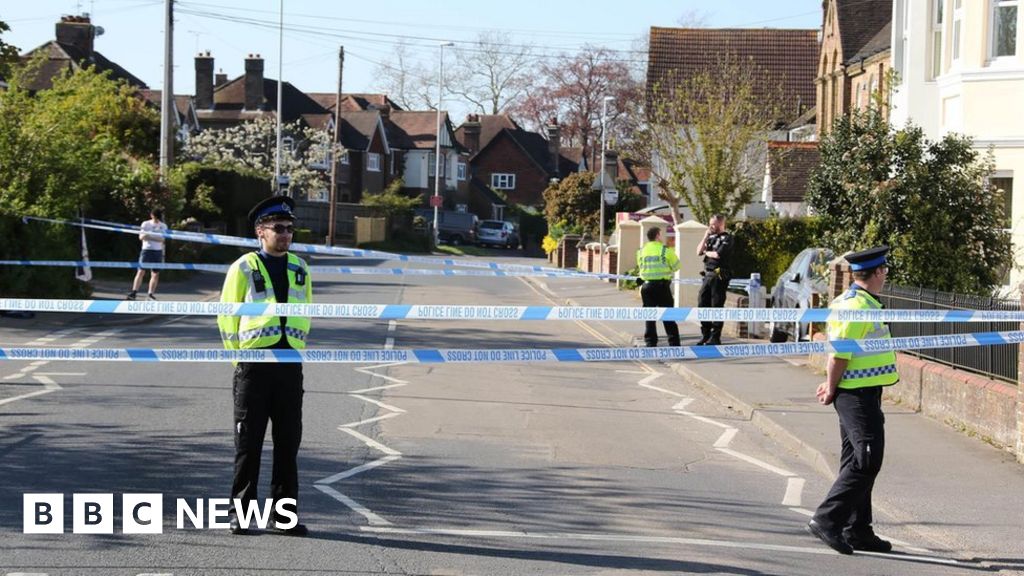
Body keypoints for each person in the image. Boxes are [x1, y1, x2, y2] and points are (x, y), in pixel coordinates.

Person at [217, 196, 312, 537]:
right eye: (279, 228)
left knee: (288, 444)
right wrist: (238, 360)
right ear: (261, 231)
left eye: (290, 229)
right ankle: (240, 514)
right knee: (249, 444)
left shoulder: (300, 267)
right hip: (254, 366)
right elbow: (227, 316)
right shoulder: (243, 267)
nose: (286, 234)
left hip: (289, 366)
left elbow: (307, 310)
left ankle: (283, 516)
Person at [806, 246, 898, 555]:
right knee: (866, 460)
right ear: (878, 273)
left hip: (863, 390)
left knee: (855, 459)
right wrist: (831, 386)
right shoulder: (857, 306)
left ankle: (858, 529)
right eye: (884, 271)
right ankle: (827, 520)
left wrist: (832, 383)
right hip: (854, 394)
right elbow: (841, 352)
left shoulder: (861, 302)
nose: (886, 275)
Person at [636, 226, 680, 347]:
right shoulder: (665, 250)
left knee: (649, 316)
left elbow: (640, 267)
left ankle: (650, 342)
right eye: (661, 234)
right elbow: (677, 266)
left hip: (646, 287)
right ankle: (674, 343)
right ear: (657, 236)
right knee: (668, 315)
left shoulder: (641, 251)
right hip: (662, 287)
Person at [695, 214, 733, 345]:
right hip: (708, 274)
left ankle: (715, 336)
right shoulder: (710, 237)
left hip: (719, 275)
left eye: (714, 224)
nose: (711, 226)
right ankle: (705, 334)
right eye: (710, 223)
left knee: (716, 306)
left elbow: (717, 254)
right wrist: (705, 236)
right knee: (702, 303)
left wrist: (706, 252)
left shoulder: (727, 238)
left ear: (721, 224)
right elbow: (698, 251)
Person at [127, 208, 168, 300]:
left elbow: (162, 239)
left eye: (157, 217)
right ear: (151, 215)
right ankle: (134, 292)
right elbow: (141, 237)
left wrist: (150, 236)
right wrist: (153, 237)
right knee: (141, 271)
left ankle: (150, 294)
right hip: (147, 250)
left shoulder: (163, 226)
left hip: (157, 250)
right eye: (154, 217)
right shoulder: (145, 224)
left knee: (155, 273)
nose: (156, 219)